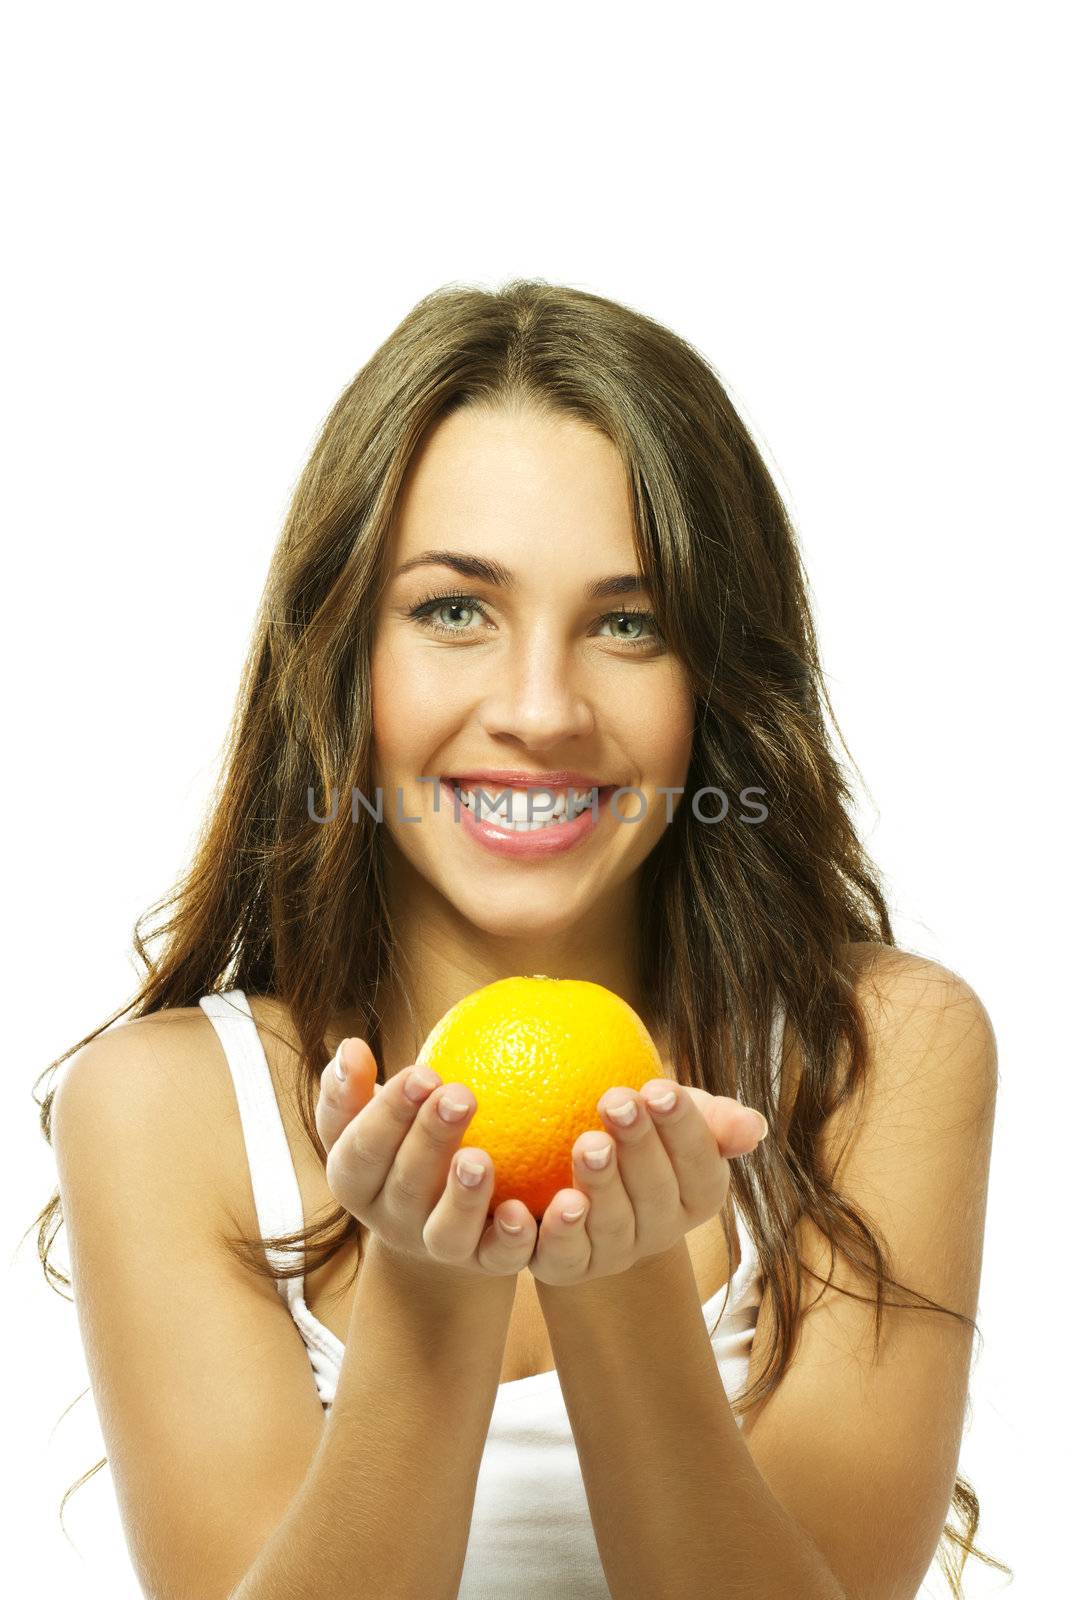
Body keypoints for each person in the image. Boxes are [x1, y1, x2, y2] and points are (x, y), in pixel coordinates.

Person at [35, 280, 1008, 1600]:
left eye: (627, 623)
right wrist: (432, 1290)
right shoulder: (167, 1111)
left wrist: (622, 1280)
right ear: (341, 659)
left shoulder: (874, 1057)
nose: (541, 711)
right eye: (454, 610)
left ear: (713, 677)